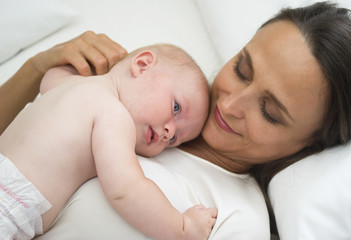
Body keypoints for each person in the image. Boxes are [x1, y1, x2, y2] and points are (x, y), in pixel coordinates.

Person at [2, 2, 351, 239]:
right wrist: (37, 68)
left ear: (307, 145)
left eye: (269, 112)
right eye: (241, 69)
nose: (231, 103)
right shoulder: (146, 91)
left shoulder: (235, 220)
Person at [0, 43, 215, 240]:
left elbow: (51, 74)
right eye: (176, 108)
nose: (169, 132)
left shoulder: (67, 83)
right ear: (142, 65)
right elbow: (127, 190)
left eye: (174, 140)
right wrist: (182, 228)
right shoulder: (113, 116)